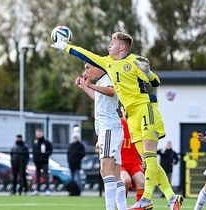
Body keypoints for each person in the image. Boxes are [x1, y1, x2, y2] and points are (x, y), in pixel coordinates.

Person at [52, 31, 183, 209]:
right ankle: (171, 197)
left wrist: (149, 73)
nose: (109, 45)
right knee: (147, 160)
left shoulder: (134, 60)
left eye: (112, 42)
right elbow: (85, 54)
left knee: (149, 158)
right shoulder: (108, 62)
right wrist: (65, 47)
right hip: (130, 116)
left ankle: (146, 198)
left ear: (122, 47)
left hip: (145, 108)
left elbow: (156, 82)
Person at [76, 63, 127, 210]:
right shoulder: (100, 82)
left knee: (105, 170)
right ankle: (122, 208)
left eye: (88, 67)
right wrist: (85, 86)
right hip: (112, 129)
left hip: (109, 129)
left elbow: (111, 92)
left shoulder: (108, 77)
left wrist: (91, 86)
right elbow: (98, 98)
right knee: (115, 173)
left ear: (98, 68)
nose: (86, 71)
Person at [119, 105, 146, 203]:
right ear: (122, 109)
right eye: (124, 108)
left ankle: (140, 208)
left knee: (141, 181)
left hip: (134, 162)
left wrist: (144, 160)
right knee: (125, 181)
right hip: (120, 162)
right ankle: (121, 207)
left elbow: (144, 143)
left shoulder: (137, 125)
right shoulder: (118, 124)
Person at [32, 128, 53, 195]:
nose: (38, 134)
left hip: (44, 162)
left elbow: (50, 151)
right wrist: (35, 159)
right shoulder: (35, 142)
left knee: (45, 175)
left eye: (40, 133)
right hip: (37, 162)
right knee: (37, 176)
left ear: (42, 133)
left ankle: (47, 190)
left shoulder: (46, 142)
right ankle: (37, 189)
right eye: (37, 133)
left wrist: (44, 155)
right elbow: (34, 152)